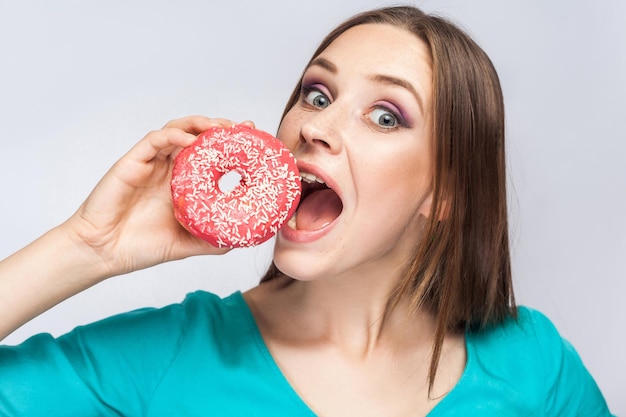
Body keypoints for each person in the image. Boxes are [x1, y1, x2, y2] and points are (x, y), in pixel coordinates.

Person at [0, 5, 614, 416]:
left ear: (445, 192)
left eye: (385, 115)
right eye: (317, 94)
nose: (315, 125)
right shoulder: (165, 356)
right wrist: (86, 247)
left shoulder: (534, 364)